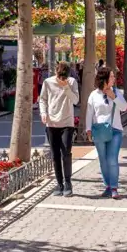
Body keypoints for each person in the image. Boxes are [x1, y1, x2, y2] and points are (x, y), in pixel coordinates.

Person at [39, 62, 80, 196]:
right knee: (55, 155)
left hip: (67, 123)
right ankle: (59, 183)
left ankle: (68, 182)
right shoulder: (48, 82)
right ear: (56, 73)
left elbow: (75, 100)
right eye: (60, 76)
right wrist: (43, 113)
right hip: (51, 123)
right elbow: (43, 99)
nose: (62, 79)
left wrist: (67, 87)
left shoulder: (72, 82)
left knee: (66, 153)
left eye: (65, 77)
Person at [85, 68, 127, 198]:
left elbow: (124, 107)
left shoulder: (117, 92)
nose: (114, 79)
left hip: (115, 130)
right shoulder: (93, 95)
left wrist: (113, 97)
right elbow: (89, 113)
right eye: (112, 77)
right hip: (99, 131)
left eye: (114, 76)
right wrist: (88, 129)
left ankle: (114, 188)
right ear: (104, 79)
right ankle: (107, 186)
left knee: (112, 159)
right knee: (103, 160)